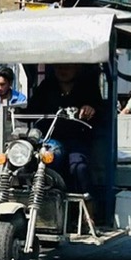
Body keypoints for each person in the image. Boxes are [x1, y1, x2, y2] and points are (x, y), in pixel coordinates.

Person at [28, 62, 102, 197]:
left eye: (67, 67)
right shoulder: (46, 86)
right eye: (59, 67)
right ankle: (47, 201)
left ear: (76, 68)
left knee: (79, 167)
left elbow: (100, 109)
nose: (63, 71)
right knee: (44, 162)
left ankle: (88, 207)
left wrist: (90, 108)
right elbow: (31, 110)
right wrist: (14, 111)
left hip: (77, 138)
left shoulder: (87, 86)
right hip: (52, 138)